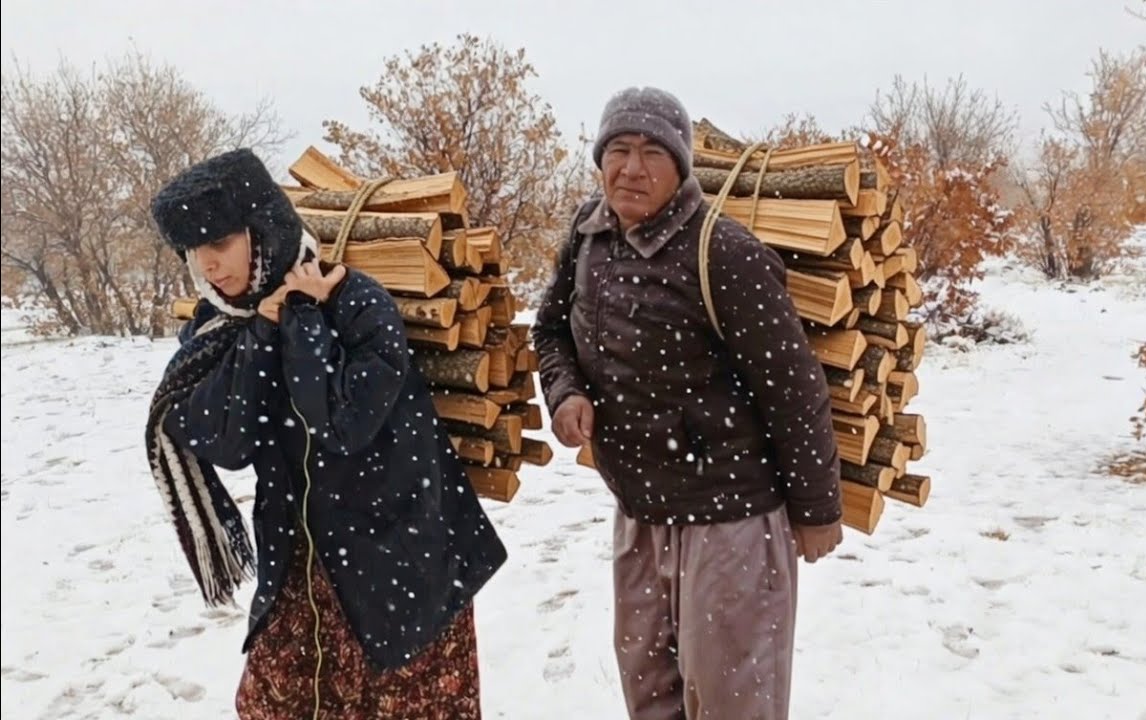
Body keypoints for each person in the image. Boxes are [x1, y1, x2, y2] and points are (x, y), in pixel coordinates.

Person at [144, 148, 507, 719]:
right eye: (195, 252)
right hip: (301, 561)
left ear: (260, 230)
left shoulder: (355, 302)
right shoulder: (217, 329)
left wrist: (305, 320)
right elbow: (225, 440)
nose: (209, 267)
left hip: (399, 553)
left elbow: (343, 424)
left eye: (220, 244)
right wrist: (265, 327)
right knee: (277, 706)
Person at [532, 86, 845, 719]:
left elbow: (793, 386)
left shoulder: (722, 254)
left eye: (653, 152)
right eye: (618, 150)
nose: (632, 168)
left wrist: (816, 508)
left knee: (731, 703)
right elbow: (550, 329)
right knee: (650, 697)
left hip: (730, 519)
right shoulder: (589, 235)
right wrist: (565, 391)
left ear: (681, 167)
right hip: (639, 511)